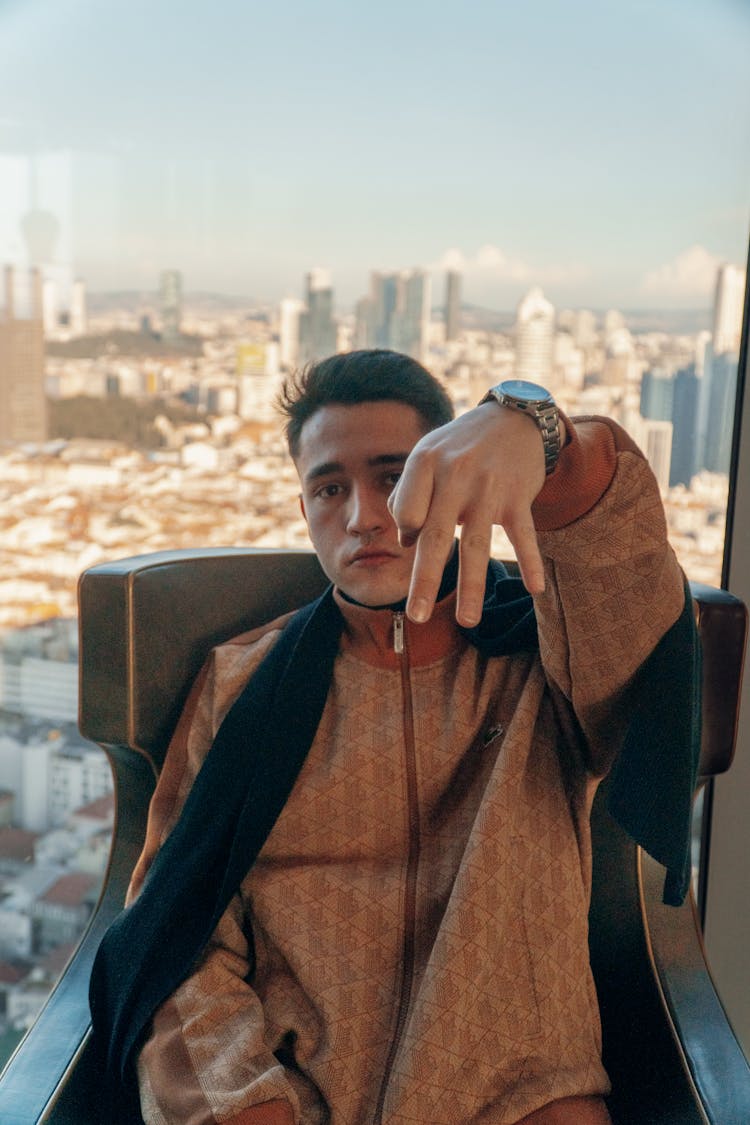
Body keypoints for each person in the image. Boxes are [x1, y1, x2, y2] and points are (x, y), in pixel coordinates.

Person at [89, 348, 699, 1125]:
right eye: (330, 487)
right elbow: (177, 939)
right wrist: (250, 1110)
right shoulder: (241, 687)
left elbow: (627, 578)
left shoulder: (546, 657)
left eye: (393, 475)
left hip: (526, 1102)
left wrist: (538, 433)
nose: (364, 516)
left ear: (452, 477)